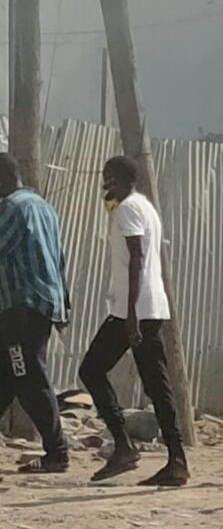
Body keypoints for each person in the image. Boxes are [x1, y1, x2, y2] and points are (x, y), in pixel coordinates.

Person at [79, 155, 188, 488]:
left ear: (118, 179)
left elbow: (136, 258)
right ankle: (175, 459)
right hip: (147, 308)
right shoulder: (143, 206)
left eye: (107, 178)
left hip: (134, 311)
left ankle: (126, 447)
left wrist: (129, 316)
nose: (104, 185)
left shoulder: (128, 210)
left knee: (91, 370)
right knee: (156, 384)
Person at [0, 153, 71, 473]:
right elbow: (58, 258)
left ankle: (57, 451)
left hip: (23, 305)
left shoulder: (11, 207)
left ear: (0, 177)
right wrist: (64, 301)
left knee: (28, 376)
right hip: (33, 305)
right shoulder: (43, 206)